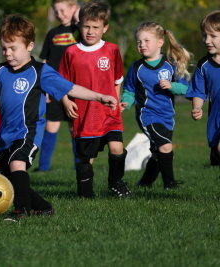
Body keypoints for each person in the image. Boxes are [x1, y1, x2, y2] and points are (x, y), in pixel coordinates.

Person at [0, 14, 117, 221]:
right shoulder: (0, 71)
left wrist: (99, 96)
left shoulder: (40, 72)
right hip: (5, 134)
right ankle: (43, 207)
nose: (8, 54)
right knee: (11, 178)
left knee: (17, 165)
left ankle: (21, 212)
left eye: (13, 48)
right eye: (4, 48)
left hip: (28, 133)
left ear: (29, 46)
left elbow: (70, 88)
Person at [59, 0, 129, 198]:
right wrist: (65, 101)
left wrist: (115, 102)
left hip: (109, 114)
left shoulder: (112, 50)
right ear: (79, 25)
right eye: (86, 26)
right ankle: (85, 194)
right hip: (85, 115)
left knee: (117, 148)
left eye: (96, 27)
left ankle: (116, 183)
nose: (90, 31)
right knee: (86, 158)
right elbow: (61, 83)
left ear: (105, 28)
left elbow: (117, 80)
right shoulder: (71, 52)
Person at [120, 21, 191, 189]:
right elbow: (129, 90)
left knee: (158, 153)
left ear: (160, 42)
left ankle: (145, 183)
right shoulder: (136, 68)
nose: (142, 45)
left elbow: (186, 89)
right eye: (139, 42)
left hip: (167, 116)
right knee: (165, 146)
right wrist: (126, 102)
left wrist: (172, 86)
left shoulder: (170, 65)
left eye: (146, 41)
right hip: (147, 115)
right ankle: (170, 184)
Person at [35, 0, 80, 172]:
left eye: (63, 10)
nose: (60, 14)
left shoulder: (81, 31)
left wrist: (77, 17)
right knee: (51, 125)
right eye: (56, 11)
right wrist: (44, 87)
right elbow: (44, 61)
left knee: (74, 126)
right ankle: (43, 167)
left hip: (75, 88)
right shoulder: (52, 33)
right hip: (53, 87)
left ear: (74, 8)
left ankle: (80, 166)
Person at [186, 10, 220, 168]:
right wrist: (197, 107)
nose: (207, 40)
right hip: (215, 120)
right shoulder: (203, 65)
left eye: (213, 36)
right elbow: (199, 91)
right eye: (205, 36)